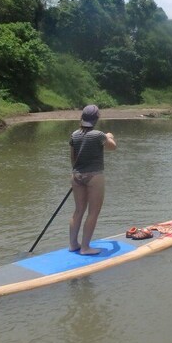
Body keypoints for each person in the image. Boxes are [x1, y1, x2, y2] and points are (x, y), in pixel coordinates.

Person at [68, 105, 117, 254]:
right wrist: (109, 136)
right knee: (93, 212)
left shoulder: (74, 134)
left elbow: (72, 158)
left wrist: (78, 173)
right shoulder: (98, 135)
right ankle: (85, 247)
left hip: (77, 175)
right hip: (94, 176)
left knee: (78, 211)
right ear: (96, 118)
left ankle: (73, 245)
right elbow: (113, 147)